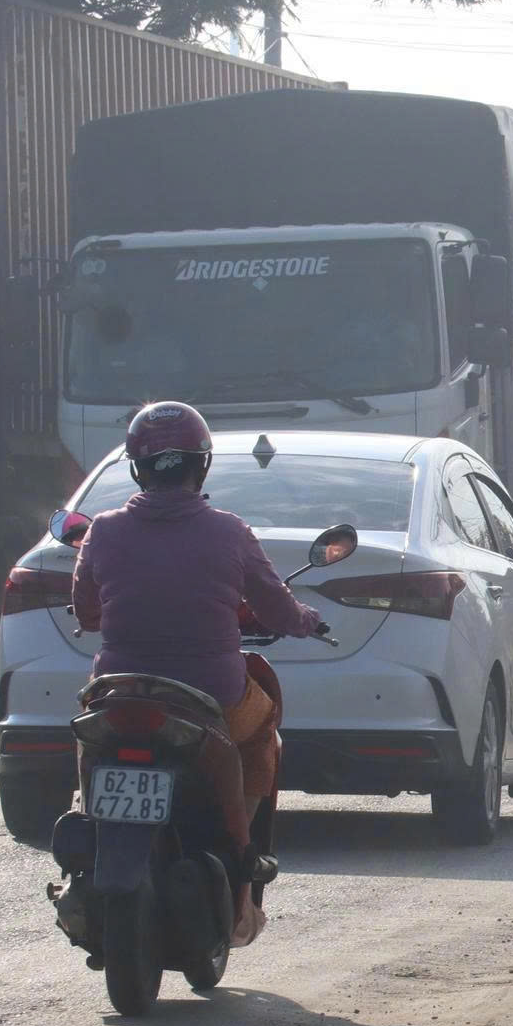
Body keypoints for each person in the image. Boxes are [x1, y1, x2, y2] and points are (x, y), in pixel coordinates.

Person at [67, 401, 323, 945]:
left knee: (88, 740)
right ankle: (245, 851)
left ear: (137, 468)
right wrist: (305, 620)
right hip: (212, 697)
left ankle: (84, 816)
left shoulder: (104, 531)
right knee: (262, 734)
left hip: (117, 692)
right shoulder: (230, 533)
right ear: (200, 466)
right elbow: (278, 611)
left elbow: (87, 612)